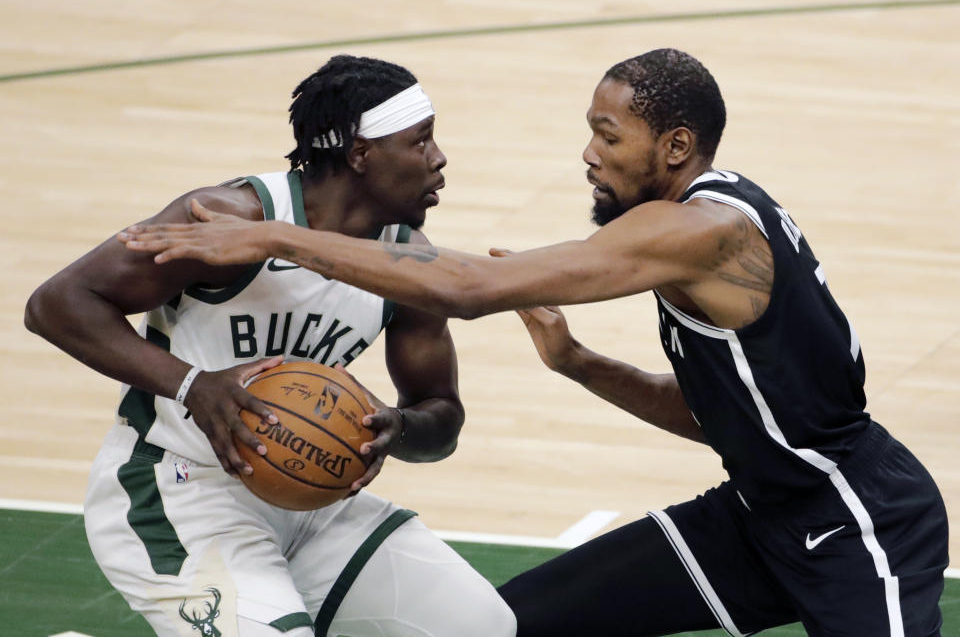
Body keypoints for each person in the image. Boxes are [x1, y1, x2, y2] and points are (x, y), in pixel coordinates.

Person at [116, 48, 949, 636]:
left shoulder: (698, 231)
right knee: (510, 624)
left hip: (853, 519)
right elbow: (726, 418)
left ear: (677, 147)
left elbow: (467, 288)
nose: (588, 154)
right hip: (758, 514)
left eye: (608, 135)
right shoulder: (704, 225)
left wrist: (276, 241)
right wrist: (580, 364)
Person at [25, 54, 517, 637]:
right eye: (421, 141)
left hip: (310, 497)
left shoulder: (407, 261)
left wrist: (398, 427)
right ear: (361, 155)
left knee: (481, 626)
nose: (438, 159)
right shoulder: (228, 216)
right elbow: (56, 305)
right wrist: (193, 385)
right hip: (180, 491)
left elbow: (443, 416)